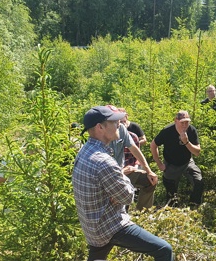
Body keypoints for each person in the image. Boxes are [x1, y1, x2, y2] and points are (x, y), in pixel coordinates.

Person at [72, 106, 172, 261]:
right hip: (110, 225)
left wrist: (114, 188)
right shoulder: (104, 161)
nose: (118, 124)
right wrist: (123, 175)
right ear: (100, 127)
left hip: (91, 227)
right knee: (164, 250)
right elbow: (127, 197)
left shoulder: (84, 151)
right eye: (113, 121)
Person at [106, 105, 158, 211]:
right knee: (120, 199)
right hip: (111, 179)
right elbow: (102, 170)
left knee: (150, 180)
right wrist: (122, 171)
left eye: (121, 120)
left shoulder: (121, 129)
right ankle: (122, 214)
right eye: (116, 120)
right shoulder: (100, 138)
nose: (120, 123)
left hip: (127, 172)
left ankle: (141, 213)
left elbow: (135, 150)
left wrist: (149, 171)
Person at [150, 110, 204, 206]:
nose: (184, 125)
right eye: (182, 122)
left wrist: (186, 142)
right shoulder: (167, 131)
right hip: (171, 164)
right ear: (176, 120)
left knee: (198, 181)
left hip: (187, 162)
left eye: (187, 122)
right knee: (171, 195)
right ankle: (173, 209)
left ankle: (194, 205)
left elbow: (197, 152)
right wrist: (159, 163)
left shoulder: (191, 130)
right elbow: (153, 145)